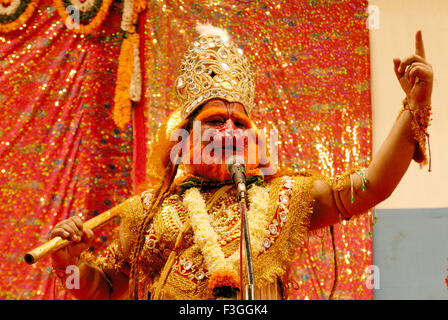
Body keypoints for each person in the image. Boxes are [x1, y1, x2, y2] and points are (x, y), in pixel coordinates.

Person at [49, 24, 433, 300]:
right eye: (215, 121)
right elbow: (102, 288)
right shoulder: (149, 212)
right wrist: (67, 264)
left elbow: (370, 187)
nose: (230, 130)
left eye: (240, 122)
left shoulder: (284, 196)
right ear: (182, 138)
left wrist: (414, 106)